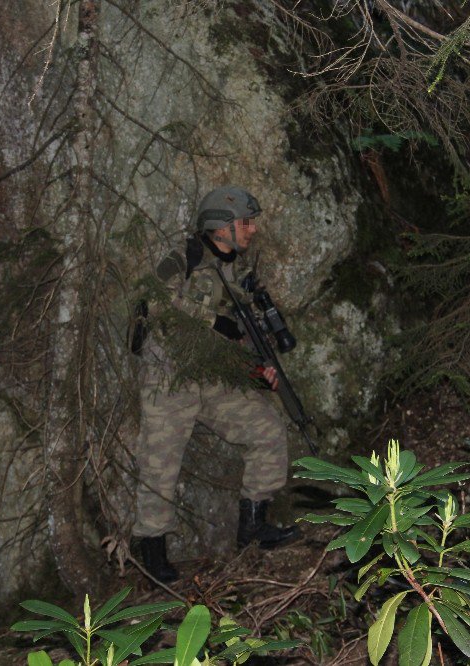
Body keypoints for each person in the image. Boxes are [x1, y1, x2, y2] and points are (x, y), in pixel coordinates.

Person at [131, 186, 297, 583]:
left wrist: (256, 373)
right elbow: (154, 303)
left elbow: (233, 343)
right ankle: (151, 552)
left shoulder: (233, 274)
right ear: (220, 228)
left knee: (267, 427)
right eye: (245, 223)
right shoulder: (182, 260)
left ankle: (253, 526)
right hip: (168, 380)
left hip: (211, 380)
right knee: (159, 465)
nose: (252, 231)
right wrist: (213, 321)